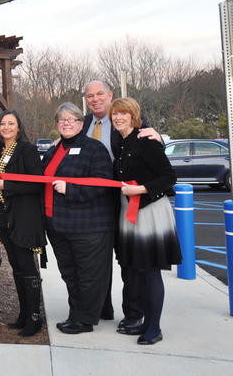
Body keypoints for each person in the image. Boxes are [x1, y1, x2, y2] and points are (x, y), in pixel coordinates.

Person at [82, 80, 161, 332]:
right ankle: (102, 308)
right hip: (94, 204)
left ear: (110, 95)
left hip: (127, 200)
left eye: (100, 94)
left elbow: (154, 154)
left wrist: (158, 137)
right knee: (97, 260)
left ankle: (133, 313)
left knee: (129, 261)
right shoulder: (82, 124)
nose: (95, 99)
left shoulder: (128, 120)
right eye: (90, 95)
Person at [110, 97, 181, 345]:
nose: (118, 118)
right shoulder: (121, 143)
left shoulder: (146, 141)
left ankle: (154, 328)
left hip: (150, 212)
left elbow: (169, 177)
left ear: (133, 116)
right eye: (114, 114)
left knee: (150, 271)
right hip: (130, 213)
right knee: (138, 270)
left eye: (123, 114)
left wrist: (141, 190)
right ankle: (143, 323)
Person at [42, 102, 115, 335]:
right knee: (69, 272)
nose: (66, 123)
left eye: (71, 119)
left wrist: (71, 189)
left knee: (88, 274)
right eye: (61, 120)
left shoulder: (94, 148)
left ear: (81, 124)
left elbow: (103, 183)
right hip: (57, 223)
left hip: (88, 225)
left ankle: (83, 320)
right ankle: (85, 311)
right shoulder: (54, 150)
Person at [0, 110, 46, 337]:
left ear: (19, 127)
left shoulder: (27, 150)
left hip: (23, 216)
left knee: (26, 265)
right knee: (16, 266)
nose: (6, 127)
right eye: (2, 124)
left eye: (11, 123)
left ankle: (34, 316)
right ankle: (23, 313)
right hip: (4, 217)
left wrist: (7, 187)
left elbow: (37, 183)